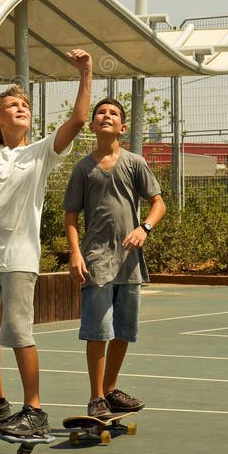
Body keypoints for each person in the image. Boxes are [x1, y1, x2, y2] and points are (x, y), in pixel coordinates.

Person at [0, 34, 92, 438]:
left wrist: (85, 74)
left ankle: (34, 409)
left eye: (26, 105)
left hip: (19, 259)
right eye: (13, 105)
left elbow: (78, 120)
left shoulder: (41, 152)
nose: (22, 108)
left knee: (19, 333)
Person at [63, 97, 166, 419]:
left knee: (123, 330)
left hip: (130, 260)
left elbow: (158, 204)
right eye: (100, 113)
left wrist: (144, 228)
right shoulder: (83, 168)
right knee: (98, 330)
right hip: (96, 259)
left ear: (122, 127)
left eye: (113, 114)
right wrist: (75, 253)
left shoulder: (135, 163)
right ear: (92, 126)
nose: (106, 116)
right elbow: (70, 216)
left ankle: (110, 390)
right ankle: (95, 397)